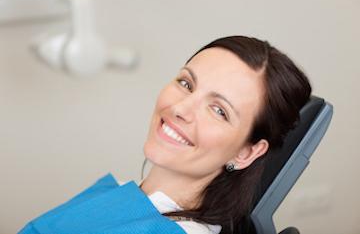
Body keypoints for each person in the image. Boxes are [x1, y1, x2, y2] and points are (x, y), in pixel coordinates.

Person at [18, 35, 311, 234]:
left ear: (245, 152)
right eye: (186, 83)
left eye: (219, 110)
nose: (181, 108)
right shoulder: (122, 192)